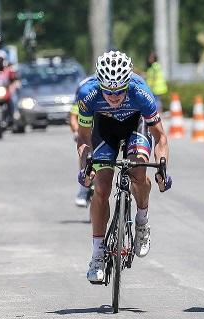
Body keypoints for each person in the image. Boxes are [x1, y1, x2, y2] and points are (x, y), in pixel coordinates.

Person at [77, 50, 172, 283]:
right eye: (108, 92)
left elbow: (160, 138)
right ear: (100, 84)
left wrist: (162, 168)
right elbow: (83, 139)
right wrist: (85, 167)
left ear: (127, 83)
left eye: (119, 91)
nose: (114, 97)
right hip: (104, 128)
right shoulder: (88, 95)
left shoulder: (141, 92)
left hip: (135, 125)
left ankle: (141, 220)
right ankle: (98, 254)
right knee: (101, 187)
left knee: (139, 171)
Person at [70, 76, 94, 208]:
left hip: (104, 127)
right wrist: (76, 132)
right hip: (86, 126)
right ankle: (84, 188)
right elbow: (73, 116)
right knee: (84, 147)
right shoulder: (84, 88)